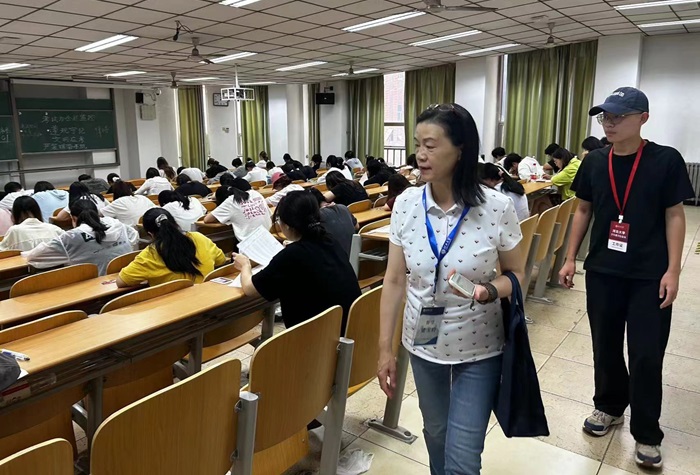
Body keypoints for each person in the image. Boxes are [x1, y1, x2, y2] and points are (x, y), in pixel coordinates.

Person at [377, 103, 524, 475]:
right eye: (417, 145)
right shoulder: (406, 204)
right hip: (422, 342)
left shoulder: (496, 207)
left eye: (430, 145)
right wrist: (384, 350)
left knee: (462, 455)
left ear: (461, 149)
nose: (420, 155)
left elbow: (518, 274)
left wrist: (487, 291)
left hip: (480, 346)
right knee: (437, 432)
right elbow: (394, 280)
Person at [559, 87, 694, 470]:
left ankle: (647, 432)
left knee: (646, 353)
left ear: (643, 118)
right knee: (604, 345)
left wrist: (673, 270)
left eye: (619, 116)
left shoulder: (665, 160)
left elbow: (674, 215)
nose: (610, 123)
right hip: (603, 270)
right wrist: (569, 258)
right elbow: (583, 210)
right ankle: (609, 406)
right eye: (606, 116)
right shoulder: (594, 161)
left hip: (649, 275)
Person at [233, 191, 361, 333]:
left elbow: (250, 289)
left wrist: (245, 265)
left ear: (287, 225)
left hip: (316, 338)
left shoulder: (291, 256)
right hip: (351, 329)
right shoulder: (329, 240)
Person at [25, 199, 138, 275]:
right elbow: (134, 237)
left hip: (95, 288)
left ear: (73, 218)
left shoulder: (71, 237)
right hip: (126, 278)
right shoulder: (116, 224)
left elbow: (34, 257)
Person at [117, 208, 226, 287]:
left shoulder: (150, 254)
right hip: (209, 298)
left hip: (174, 308)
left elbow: (121, 282)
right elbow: (221, 260)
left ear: (150, 234)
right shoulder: (199, 237)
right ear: (175, 224)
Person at [205, 180, 272, 241]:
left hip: (249, 244)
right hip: (269, 237)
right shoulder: (255, 193)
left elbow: (207, 219)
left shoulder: (231, 201)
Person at [0, 196, 64, 251]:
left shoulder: (14, 231)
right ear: (37, 211)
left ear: (15, 214)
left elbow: (3, 252)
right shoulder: (54, 229)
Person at [309, 188, 357, 256]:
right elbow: (356, 226)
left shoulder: (318, 216)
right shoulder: (343, 207)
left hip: (335, 257)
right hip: (353, 253)